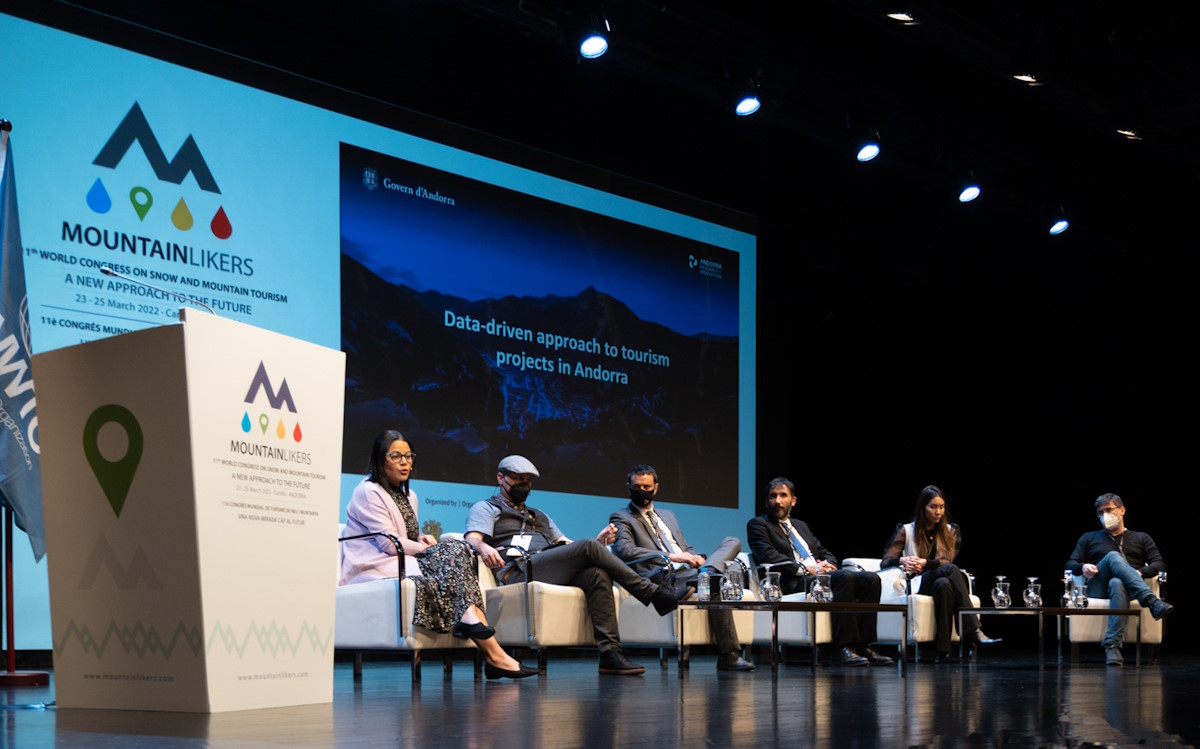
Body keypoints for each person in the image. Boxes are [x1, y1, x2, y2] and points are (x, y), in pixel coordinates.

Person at [340, 430, 537, 679]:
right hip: (373, 564)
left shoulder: (409, 495)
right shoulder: (367, 491)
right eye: (396, 456)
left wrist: (421, 538)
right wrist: (424, 547)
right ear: (380, 460)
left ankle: (481, 634)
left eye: (409, 456)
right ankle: (489, 645)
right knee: (454, 550)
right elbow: (388, 543)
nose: (405, 462)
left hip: (403, 559)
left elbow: (406, 536)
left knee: (460, 549)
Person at [465, 455, 681, 676]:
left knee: (596, 573)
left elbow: (568, 545)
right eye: (518, 478)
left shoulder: (539, 516)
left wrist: (598, 544)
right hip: (519, 569)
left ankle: (610, 653)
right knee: (587, 547)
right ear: (501, 478)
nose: (524, 484)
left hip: (548, 564)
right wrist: (484, 548)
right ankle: (651, 592)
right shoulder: (486, 508)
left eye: (528, 480)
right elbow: (472, 538)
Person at [609, 464, 755, 672]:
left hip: (689, 572)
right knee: (714, 585)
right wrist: (672, 556)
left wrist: (696, 557)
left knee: (732, 541)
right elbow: (625, 551)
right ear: (628, 487)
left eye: (646, 486)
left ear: (656, 488)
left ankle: (707, 573)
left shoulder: (668, 515)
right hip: (663, 577)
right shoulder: (622, 517)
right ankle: (729, 655)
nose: (641, 491)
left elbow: (684, 547)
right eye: (636, 486)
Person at [746, 477, 893, 666]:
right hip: (792, 582)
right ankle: (840, 648)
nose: (777, 501)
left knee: (870, 579)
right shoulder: (758, 525)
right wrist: (805, 569)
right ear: (766, 501)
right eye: (773, 496)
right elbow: (768, 556)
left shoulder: (800, 526)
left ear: (793, 500)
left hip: (817, 576)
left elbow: (823, 551)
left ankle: (863, 644)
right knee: (844, 577)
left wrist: (828, 564)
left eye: (783, 495)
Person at [880, 484, 999, 663]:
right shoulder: (907, 530)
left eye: (941, 507)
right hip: (917, 583)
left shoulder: (950, 531)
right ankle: (972, 631)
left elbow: (945, 560)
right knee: (951, 570)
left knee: (944, 584)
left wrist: (926, 562)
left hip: (937, 581)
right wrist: (902, 560)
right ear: (923, 508)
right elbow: (885, 561)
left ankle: (942, 650)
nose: (938, 512)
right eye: (933, 507)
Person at [1066, 492, 1173, 666]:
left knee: (1117, 582)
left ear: (1122, 510)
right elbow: (1070, 564)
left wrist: (1140, 572)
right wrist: (1083, 567)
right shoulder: (1089, 537)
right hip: (1097, 588)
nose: (1104, 516)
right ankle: (1152, 601)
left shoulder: (1141, 537)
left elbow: (1159, 564)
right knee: (1112, 556)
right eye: (1100, 513)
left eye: (1108, 510)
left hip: (1130, 588)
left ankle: (1112, 645)